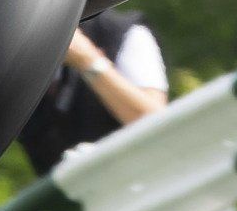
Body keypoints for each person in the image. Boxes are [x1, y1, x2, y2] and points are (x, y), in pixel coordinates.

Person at [16, 13, 169, 176]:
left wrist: (87, 59)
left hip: (144, 184)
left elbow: (157, 126)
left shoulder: (125, 34)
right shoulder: (18, 62)